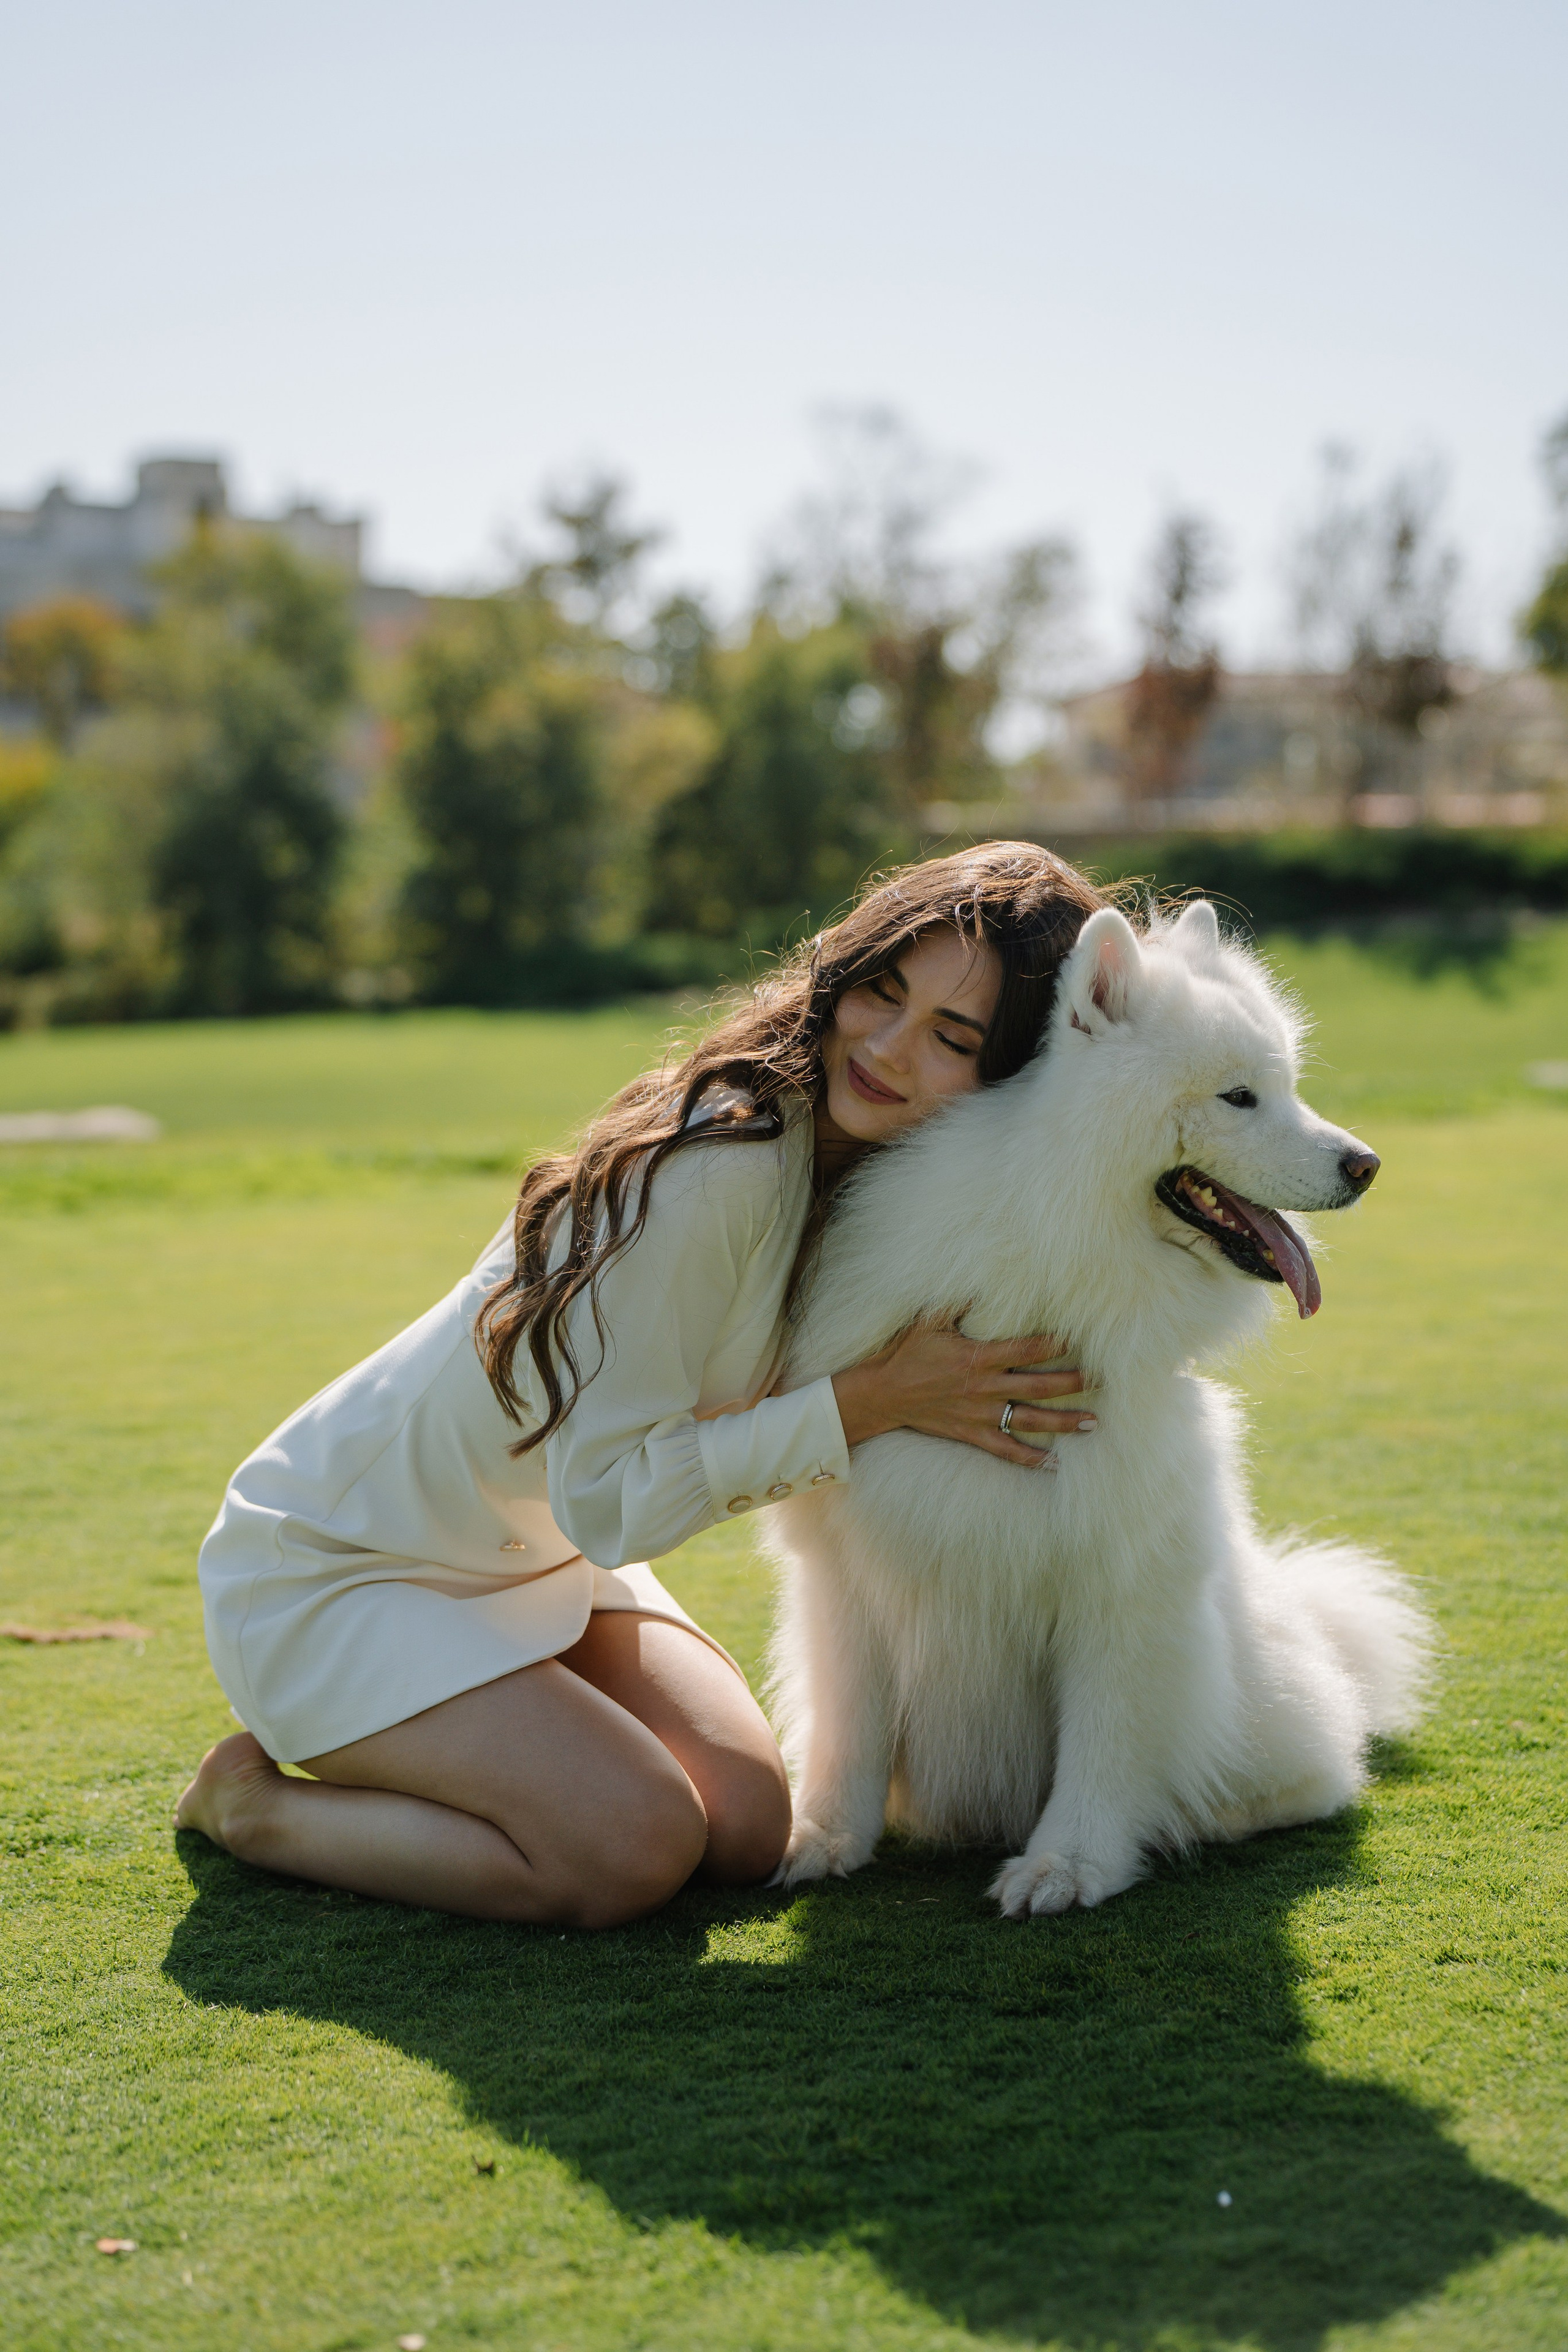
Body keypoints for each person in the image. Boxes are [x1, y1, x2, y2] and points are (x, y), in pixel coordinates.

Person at [176, 843, 1107, 1927]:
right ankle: (252, 1808)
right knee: (634, 1847)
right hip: (343, 1569)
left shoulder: (872, 1178)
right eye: (883, 991)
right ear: (843, 970)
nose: (890, 1049)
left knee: (751, 1829)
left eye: (953, 1038)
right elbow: (614, 1503)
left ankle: (476, 1731)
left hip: (537, 1565)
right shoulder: (729, 1160)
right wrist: (869, 1401)